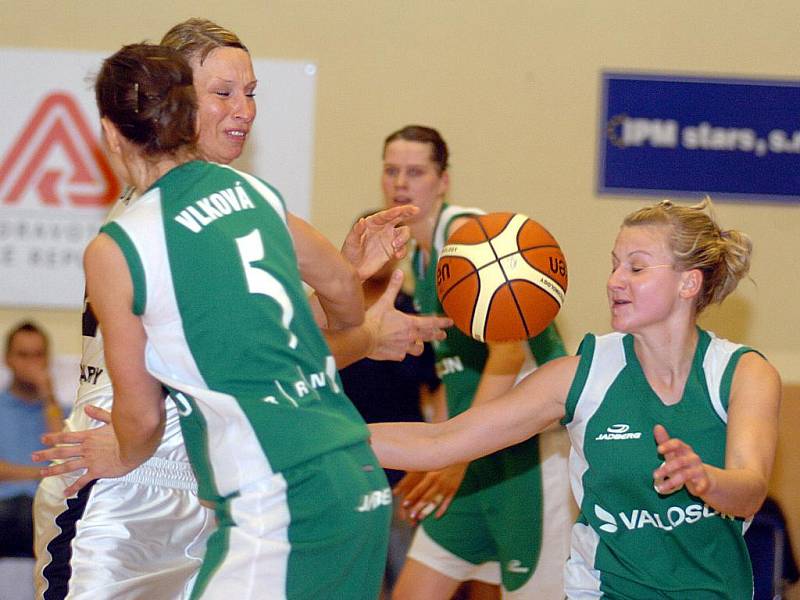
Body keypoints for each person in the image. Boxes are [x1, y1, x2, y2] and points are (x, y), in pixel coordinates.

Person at [32, 19, 450, 600]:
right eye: (223, 93)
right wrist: (362, 328)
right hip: (129, 475)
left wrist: (352, 284)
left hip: (216, 480)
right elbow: (215, 373)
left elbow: (257, 342)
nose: (244, 110)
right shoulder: (153, 220)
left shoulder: (233, 196)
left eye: (251, 93)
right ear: (172, 103)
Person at [370, 198, 782, 599]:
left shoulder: (742, 374)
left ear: (688, 282)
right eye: (614, 264)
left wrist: (705, 479)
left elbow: (750, 489)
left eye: (636, 267)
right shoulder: (583, 375)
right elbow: (440, 442)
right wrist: (322, 435)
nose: (614, 280)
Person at [381, 125, 573, 600]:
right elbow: (453, 373)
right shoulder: (421, 261)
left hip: (526, 455)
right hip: (473, 458)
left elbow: (509, 349)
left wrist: (452, 451)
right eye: (391, 171)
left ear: (443, 180)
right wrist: (436, 447)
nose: (400, 183)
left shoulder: (469, 237)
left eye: (415, 171)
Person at [339, 232, 443, 597]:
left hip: (401, 472)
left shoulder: (412, 312)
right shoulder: (333, 315)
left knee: (406, 579)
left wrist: (437, 458)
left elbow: (435, 384)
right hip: (344, 469)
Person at [0, 322, 61, 559]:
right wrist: (40, 473)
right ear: (8, 359)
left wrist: (48, 398)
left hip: (45, 509)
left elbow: (64, 460)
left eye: (38, 355)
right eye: (23, 355)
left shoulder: (59, 411)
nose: (31, 363)